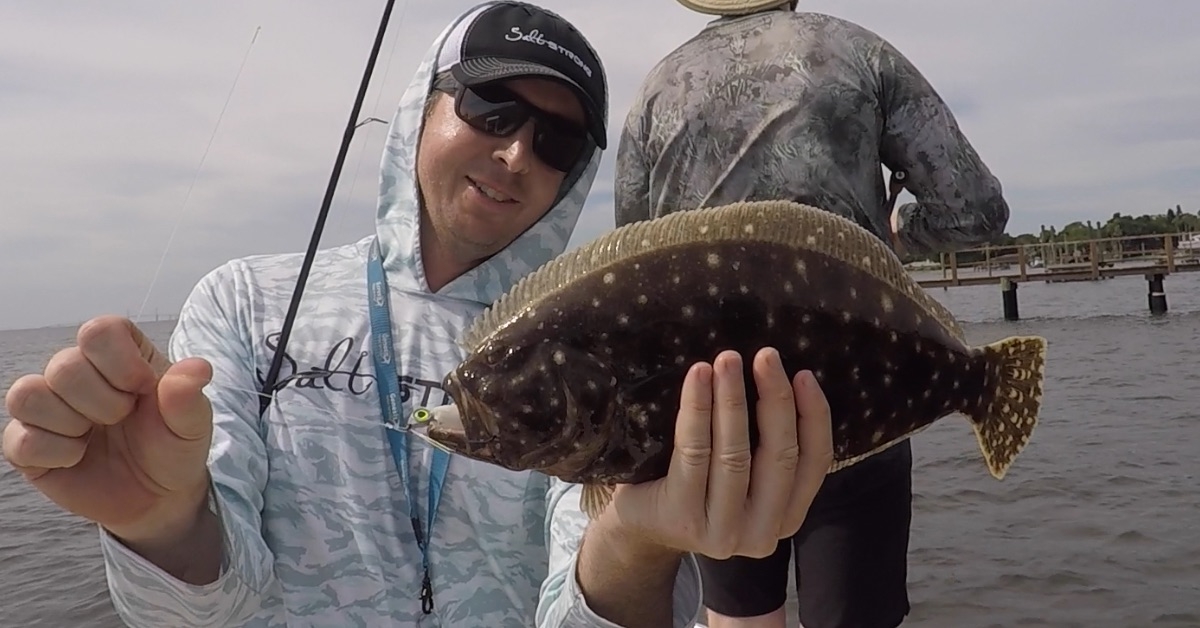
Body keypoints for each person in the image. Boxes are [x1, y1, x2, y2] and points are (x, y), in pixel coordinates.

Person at [2, 2, 835, 627]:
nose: (516, 154)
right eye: (491, 109)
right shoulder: (243, 302)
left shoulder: (600, 341)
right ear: (421, 110)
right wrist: (159, 524)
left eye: (558, 143)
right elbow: (216, 612)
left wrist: (637, 542)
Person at [614, 1, 1011, 627]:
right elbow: (977, 210)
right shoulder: (862, 53)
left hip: (714, 412)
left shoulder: (655, 93)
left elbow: (632, 263)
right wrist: (898, 235)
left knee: (737, 615)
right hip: (856, 380)